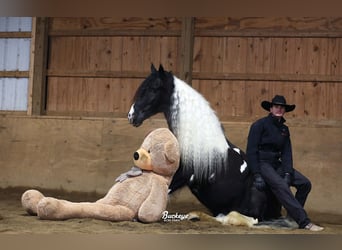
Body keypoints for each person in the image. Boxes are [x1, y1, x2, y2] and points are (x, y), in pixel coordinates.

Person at [246, 95, 324, 231]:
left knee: (305, 184)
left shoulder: (284, 130)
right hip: (262, 163)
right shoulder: (259, 125)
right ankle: (304, 221)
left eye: (282, 107)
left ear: (285, 110)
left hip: (277, 163)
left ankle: (291, 219)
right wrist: (257, 174)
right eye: (276, 106)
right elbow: (251, 151)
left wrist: (288, 172)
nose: (279, 109)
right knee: (281, 186)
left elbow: (287, 153)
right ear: (270, 108)